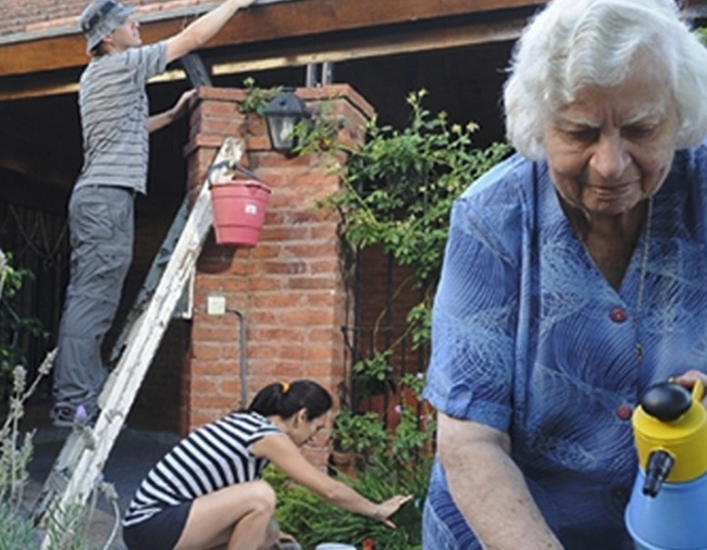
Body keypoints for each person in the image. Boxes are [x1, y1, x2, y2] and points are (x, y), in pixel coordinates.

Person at [421, 0, 707, 548]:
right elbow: (471, 442)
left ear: (679, 115)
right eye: (579, 133)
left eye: (642, 128)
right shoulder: (492, 219)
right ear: (539, 123)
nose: (610, 164)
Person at [51, 0, 258, 426]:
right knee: (94, 297)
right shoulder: (121, 65)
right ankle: (74, 398)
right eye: (128, 22)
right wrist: (235, 4)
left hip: (100, 197)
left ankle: (80, 388)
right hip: (106, 198)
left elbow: (130, 129)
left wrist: (173, 114)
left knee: (93, 295)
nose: (137, 24)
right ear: (109, 37)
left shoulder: (98, 76)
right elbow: (192, 38)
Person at [122, 380, 413, 550]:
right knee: (261, 495)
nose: (313, 438)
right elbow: (329, 490)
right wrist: (377, 510)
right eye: (316, 428)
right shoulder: (265, 435)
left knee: (270, 532)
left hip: (156, 525)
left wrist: (271, 536)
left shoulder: (249, 424)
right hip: (151, 525)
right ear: (301, 416)